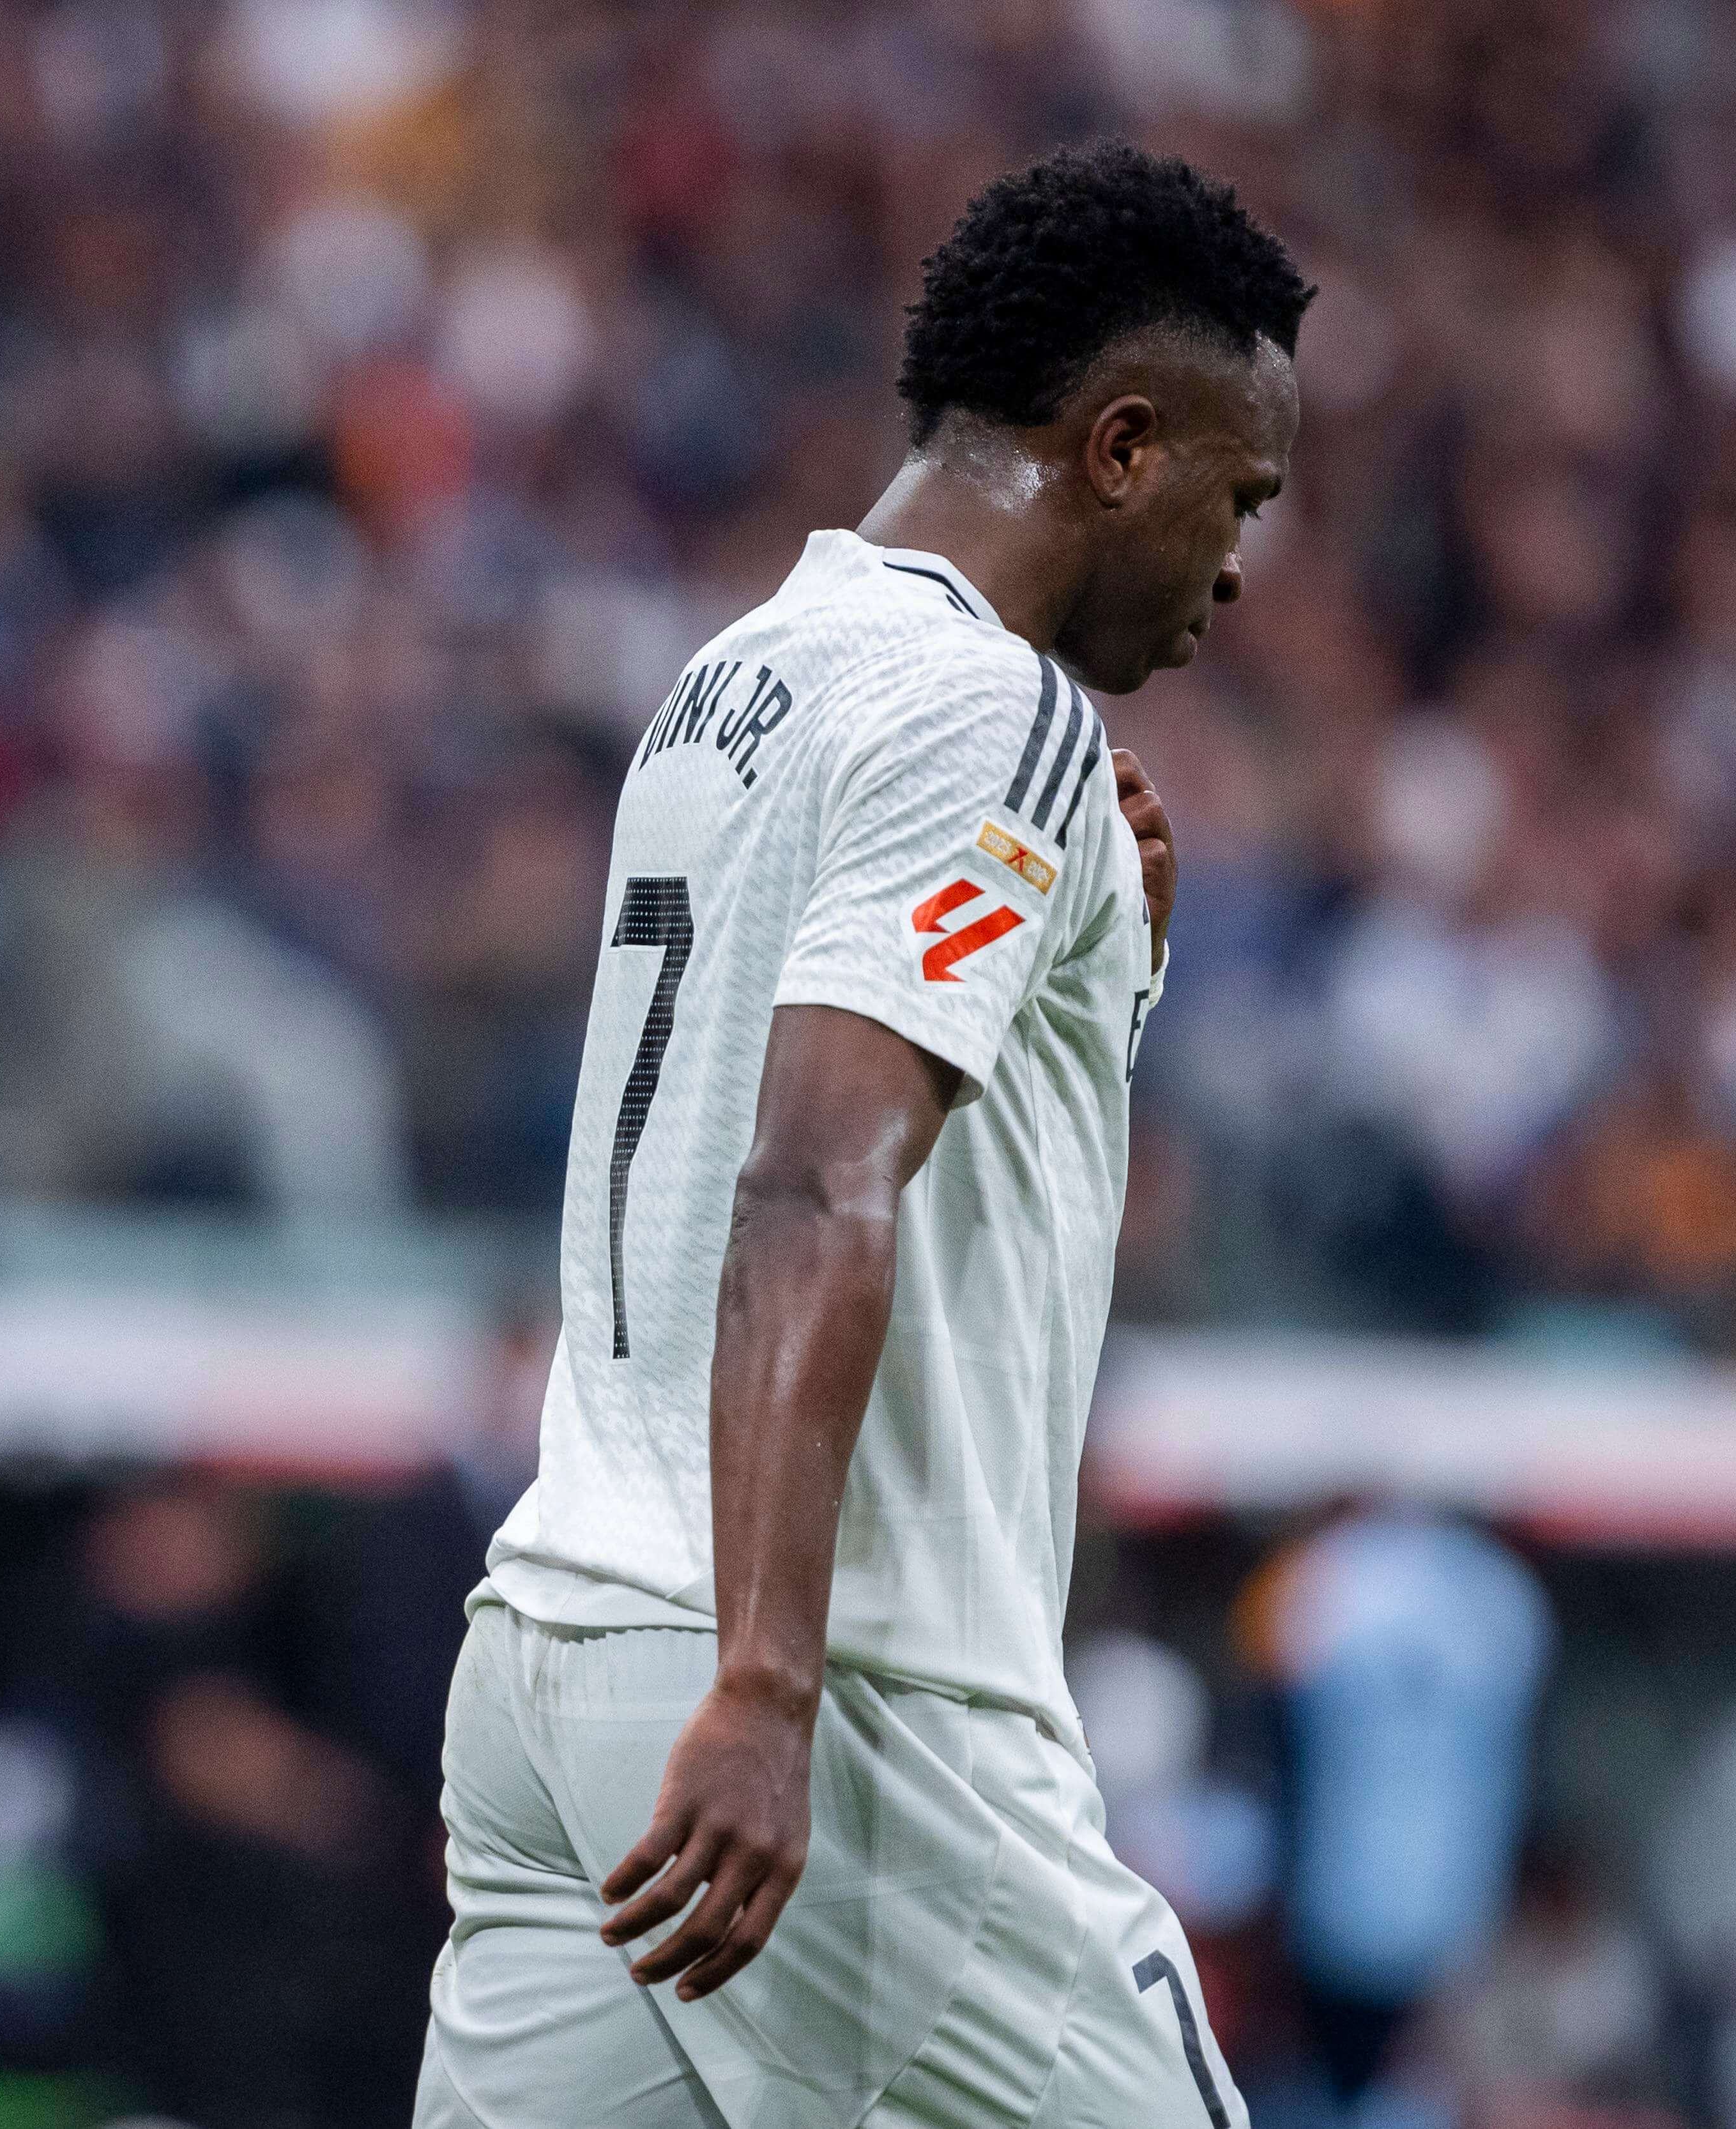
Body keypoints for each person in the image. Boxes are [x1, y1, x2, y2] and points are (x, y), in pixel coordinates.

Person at [416, 141, 1307, 2128]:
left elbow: (845, 1086)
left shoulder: (737, 674)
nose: (1239, 565)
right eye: (1239, 498)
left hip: (554, 1648)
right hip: (847, 1696)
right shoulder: (993, 711)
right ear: (1122, 447)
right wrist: (767, 1685)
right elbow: (815, 1176)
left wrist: (1113, 959)